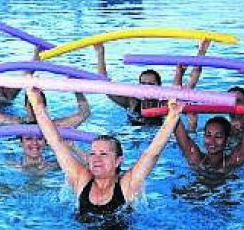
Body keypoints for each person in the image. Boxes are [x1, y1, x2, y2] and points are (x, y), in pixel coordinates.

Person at [26, 84, 183, 218]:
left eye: (103, 154)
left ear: (118, 161)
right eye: (93, 153)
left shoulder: (128, 184)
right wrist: (37, 103)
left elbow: (152, 153)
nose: (96, 158)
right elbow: (56, 142)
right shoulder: (81, 179)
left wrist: (173, 116)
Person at [94, 40, 210, 125]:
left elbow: (192, 81)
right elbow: (105, 87)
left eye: (151, 84)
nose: (147, 88)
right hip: (133, 136)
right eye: (143, 84)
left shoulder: (165, 101)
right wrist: (100, 52)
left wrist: (202, 51)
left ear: (159, 87)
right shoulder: (132, 102)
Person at [0, 85, 91, 127]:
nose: (35, 108)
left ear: (45, 107)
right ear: (25, 106)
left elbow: (84, 113)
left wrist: (76, 89)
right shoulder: (17, 124)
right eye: (31, 104)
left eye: (38, 104)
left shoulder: (54, 126)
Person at [174, 114, 244, 174]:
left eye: (218, 136)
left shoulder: (233, 162)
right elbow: (177, 127)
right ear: (203, 136)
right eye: (208, 135)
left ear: (227, 140)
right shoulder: (197, 159)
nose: (212, 141)